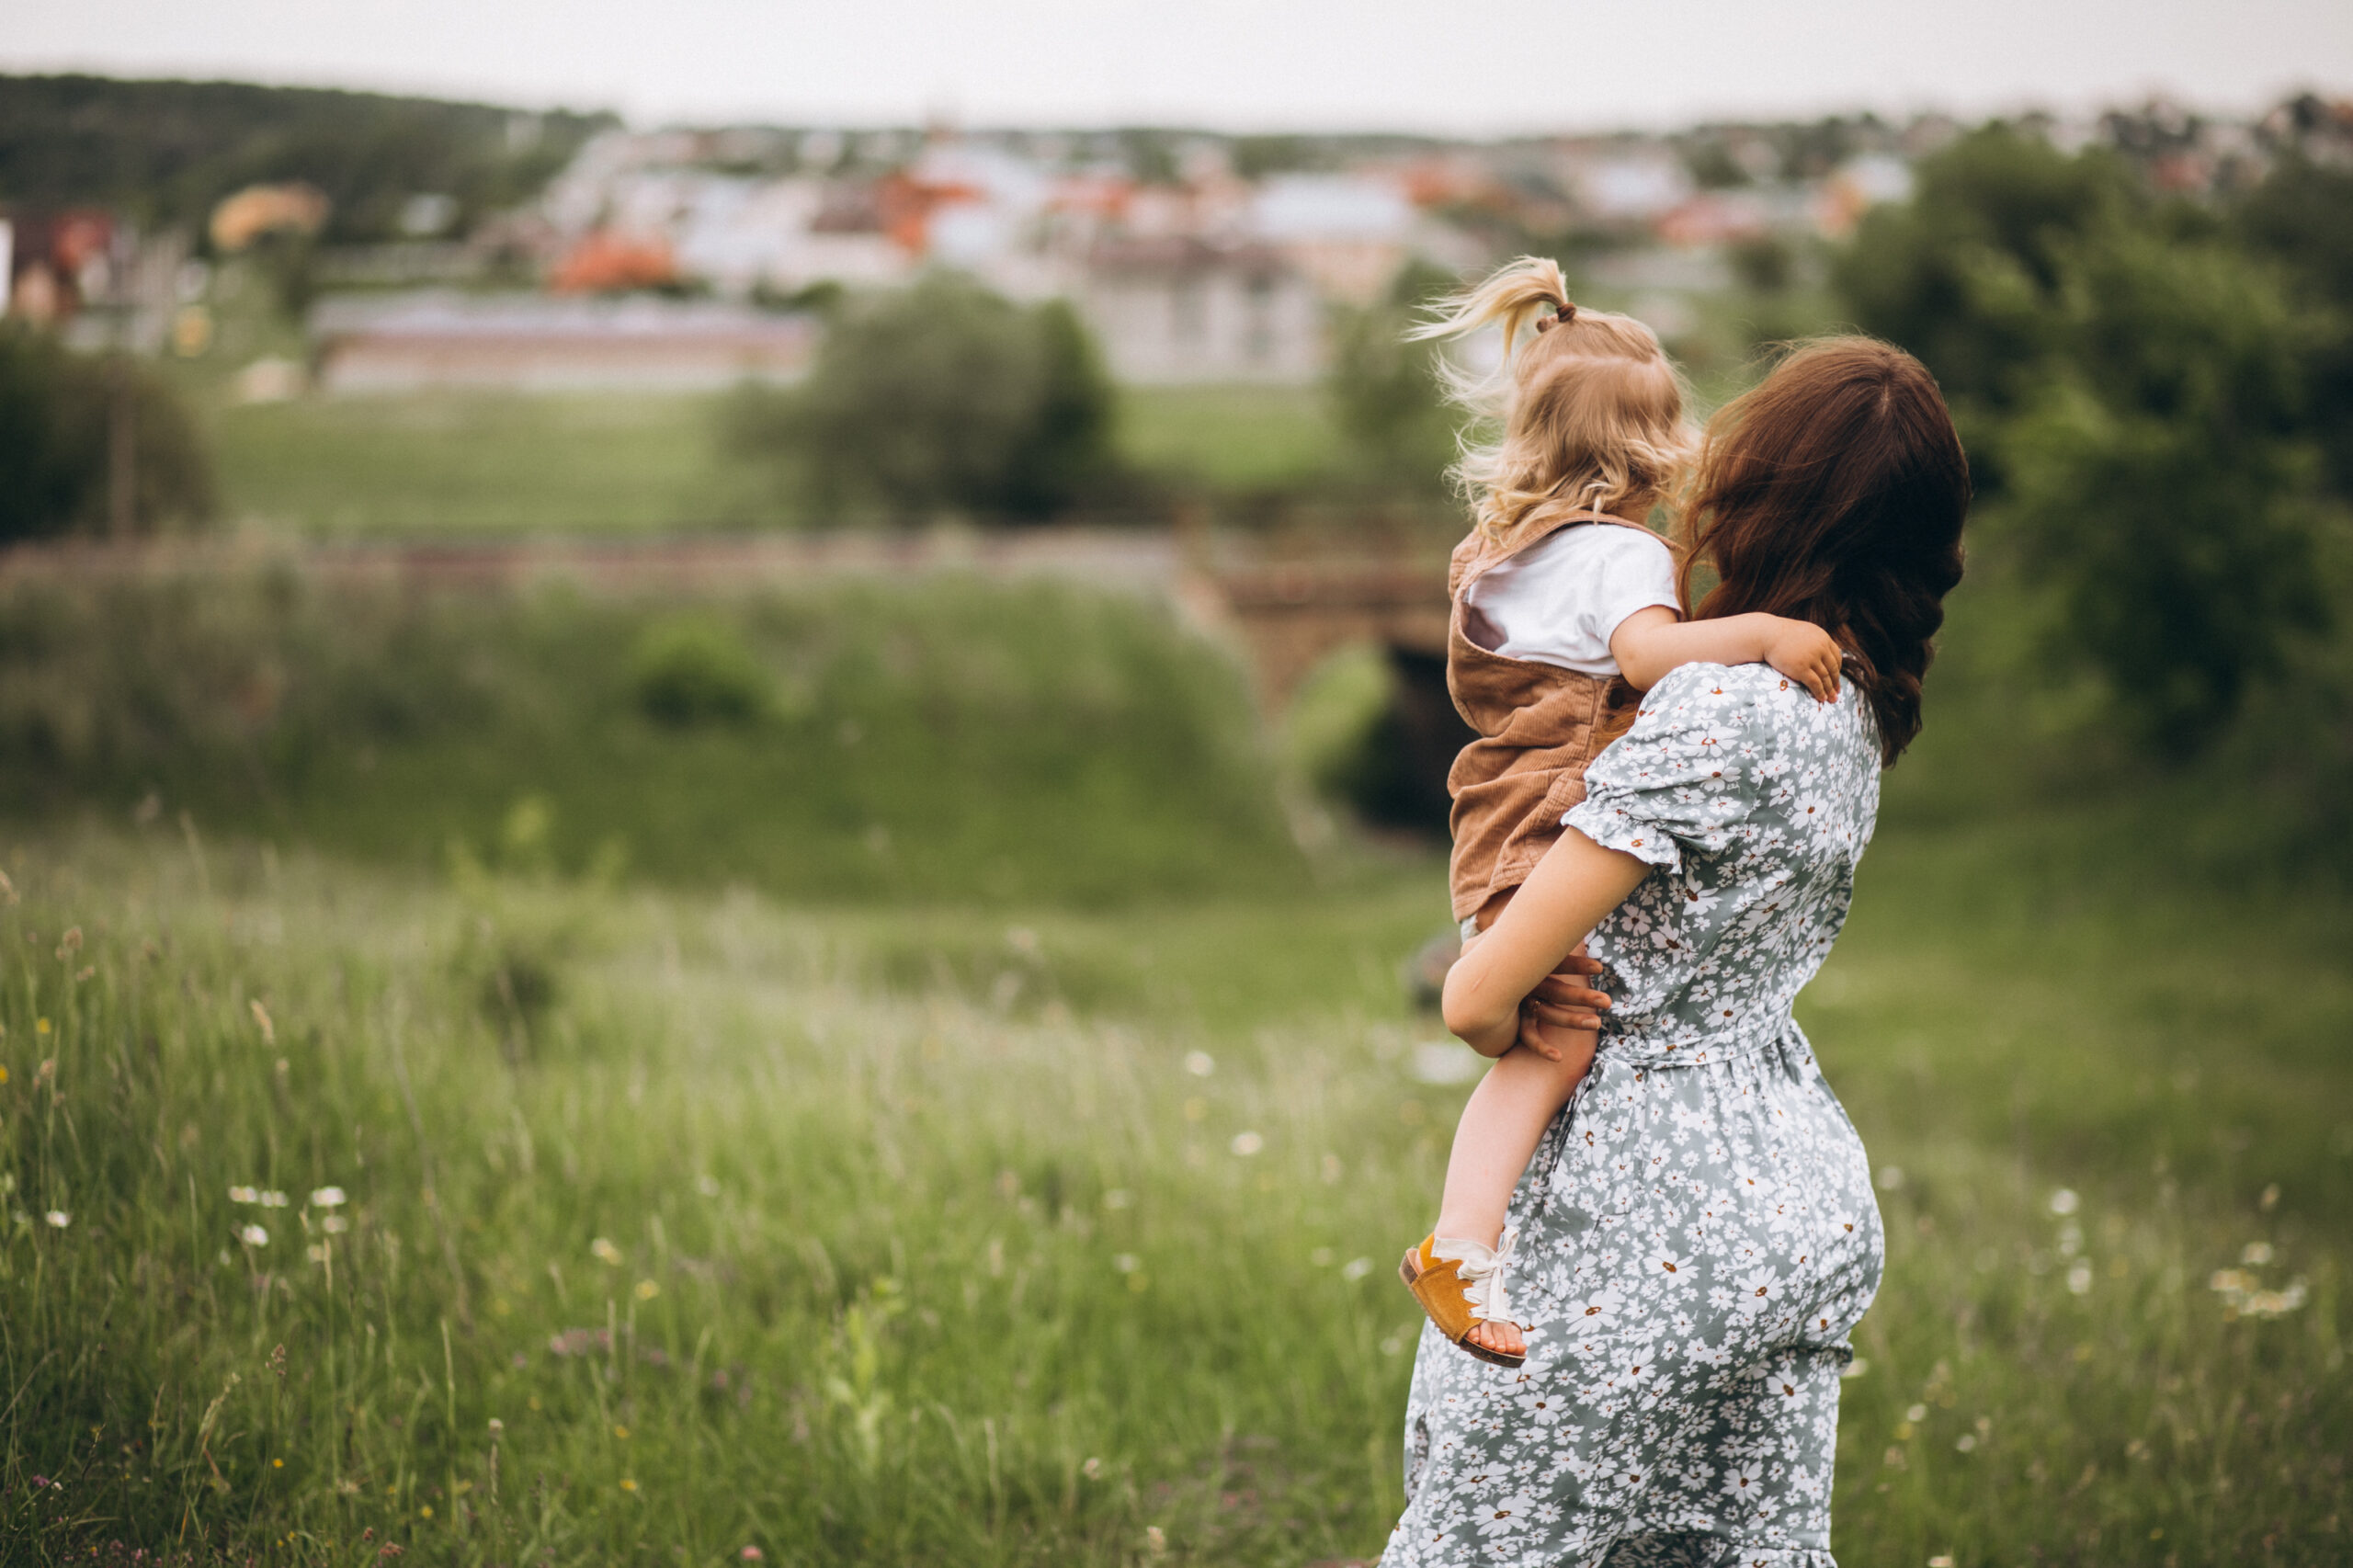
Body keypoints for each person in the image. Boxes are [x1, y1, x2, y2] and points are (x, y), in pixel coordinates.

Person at [1381, 336, 1970, 1567]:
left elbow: (1480, 996)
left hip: (1638, 1223)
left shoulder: (1723, 698)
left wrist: (1507, 1018)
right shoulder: (1850, 696)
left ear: (1770, 493)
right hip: (1795, 1199)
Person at [1396, 257, 1845, 1368]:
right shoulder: (1624, 556)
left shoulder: (1492, 558)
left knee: (1534, 1032)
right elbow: (1646, 654)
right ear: (1654, 447)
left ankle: (1467, 1241)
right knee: (1545, 1046)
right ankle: (1458, 1244)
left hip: (1489, 820)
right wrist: (1760, 634)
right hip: (1551, 820)